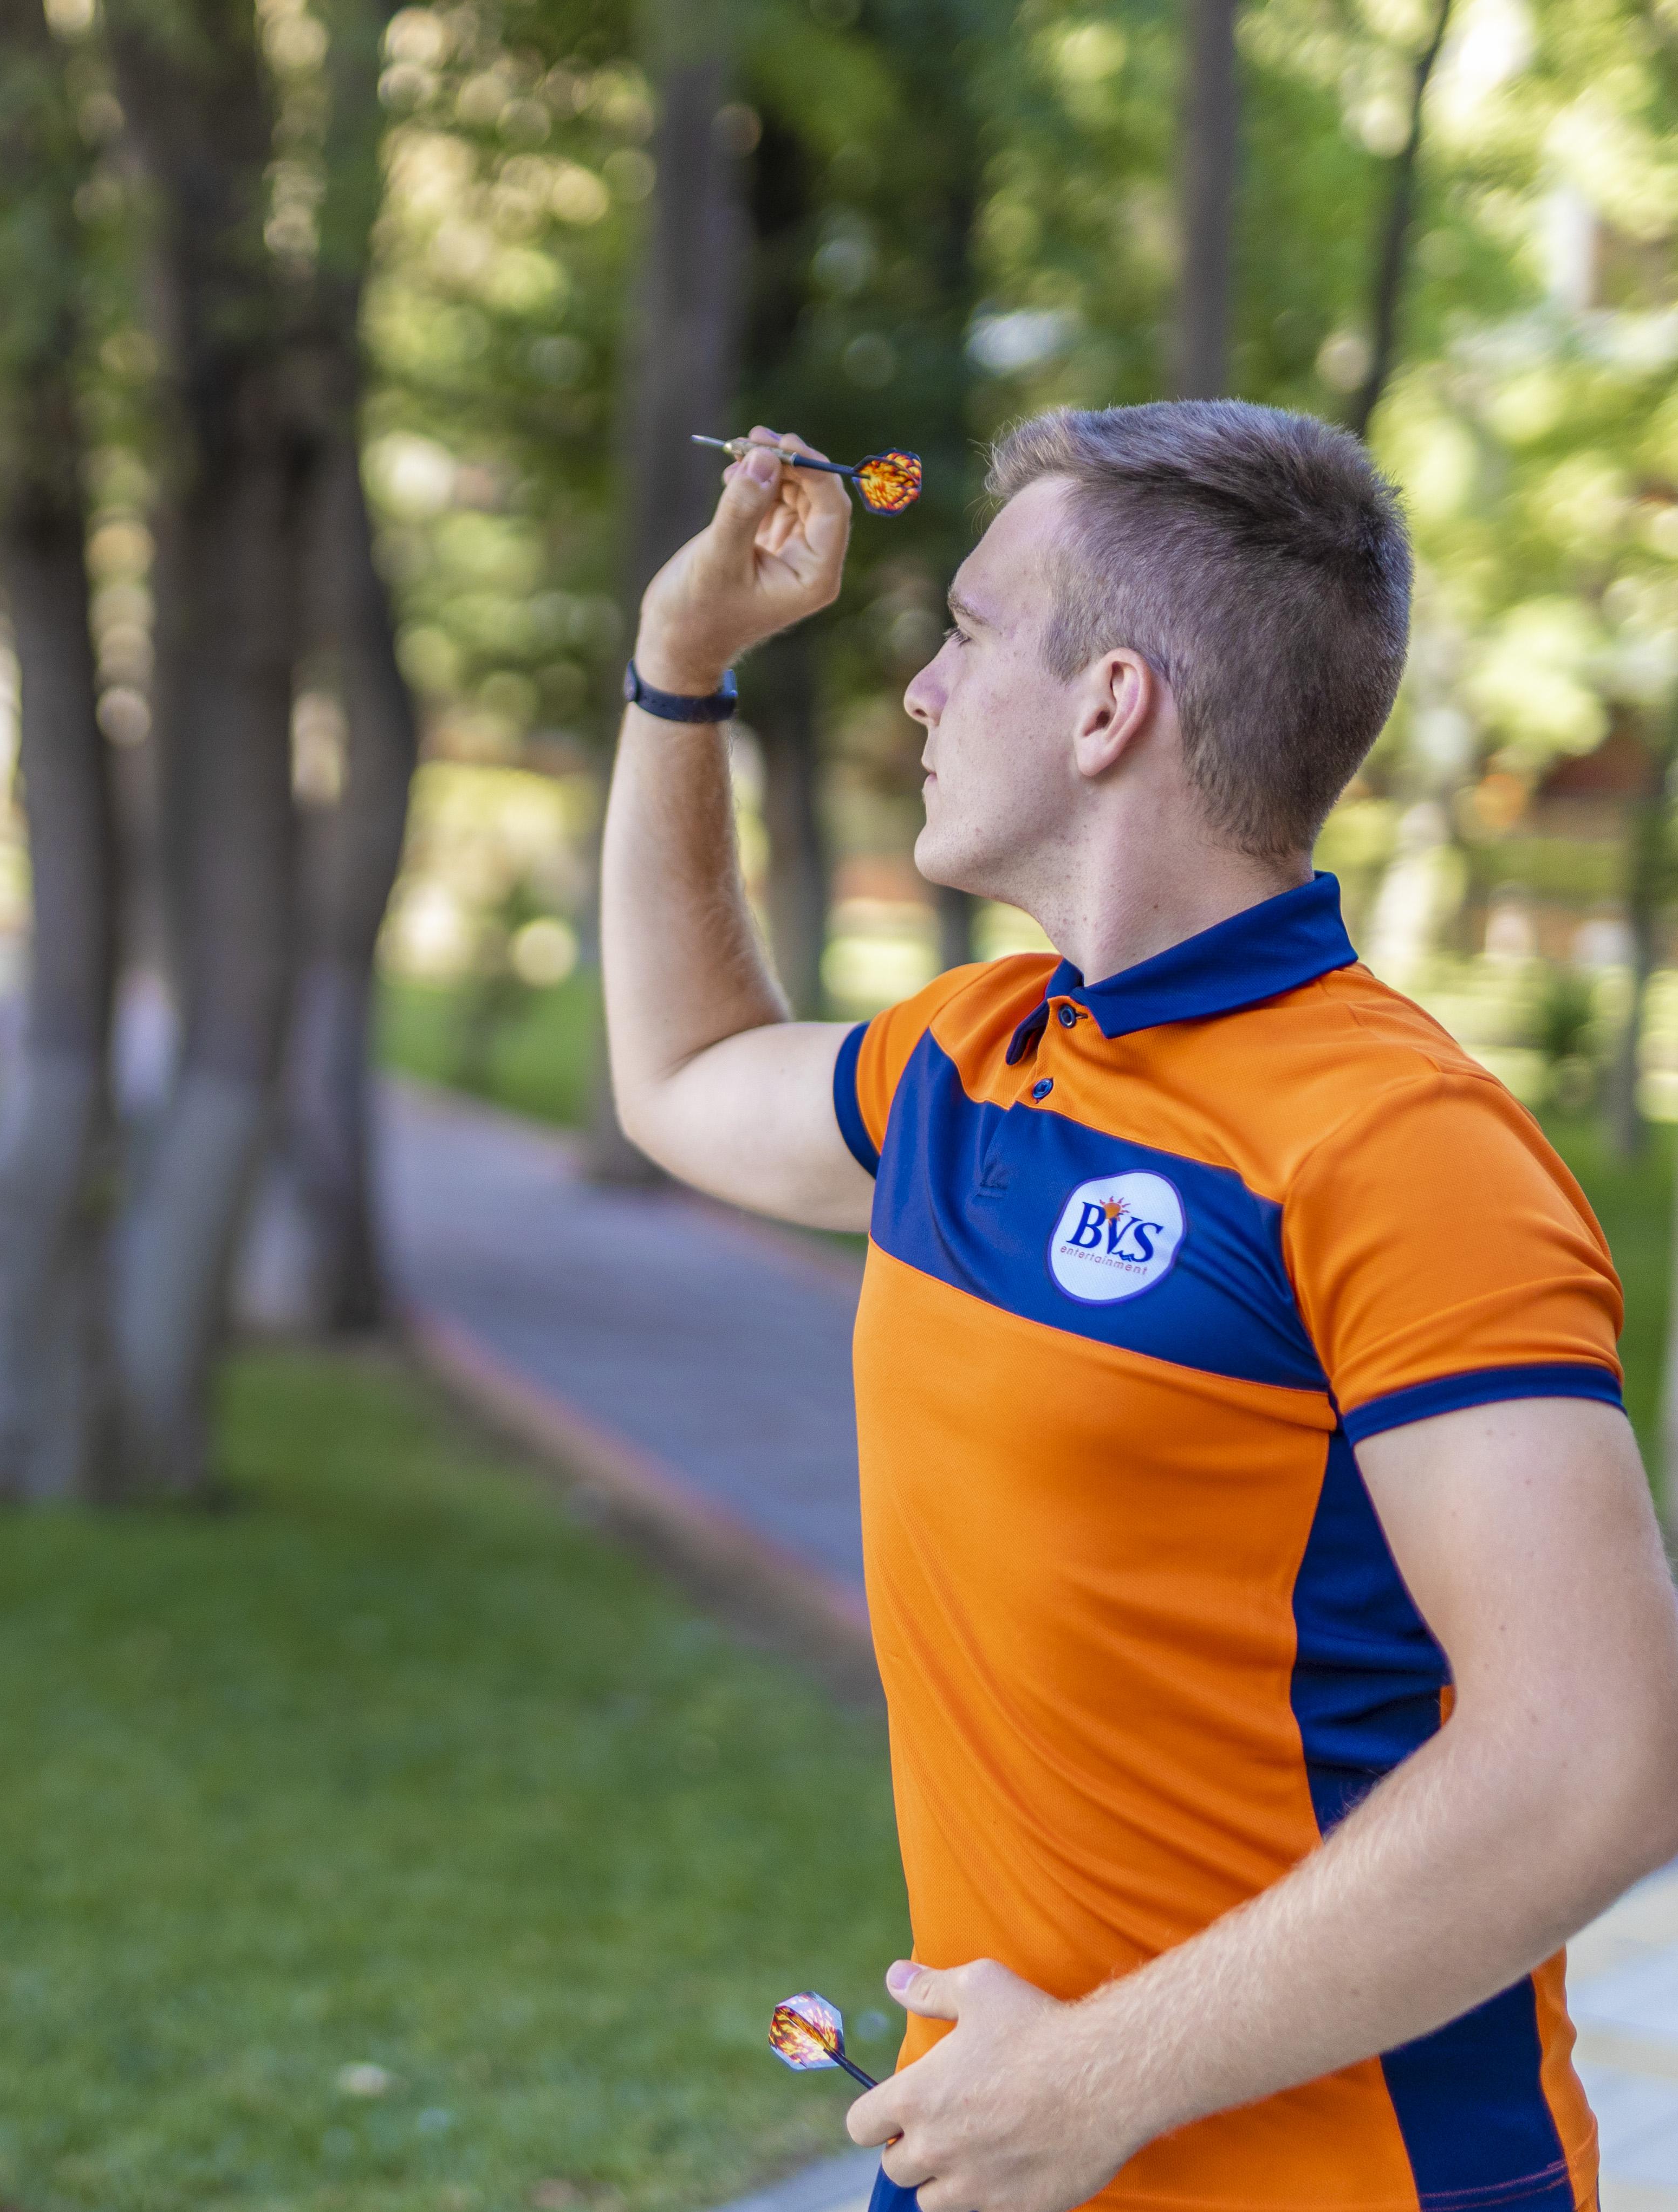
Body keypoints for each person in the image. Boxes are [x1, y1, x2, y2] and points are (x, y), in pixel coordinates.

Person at [603, 401, 1678, 2212]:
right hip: (1001, 2148)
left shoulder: (1400, 1149)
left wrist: (1094, 2080)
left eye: (960, 634)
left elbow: (1598, 1757)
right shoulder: (973, 1059)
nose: (919, 694)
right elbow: (688, 1071)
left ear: (1108, 706)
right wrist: (675, 668)